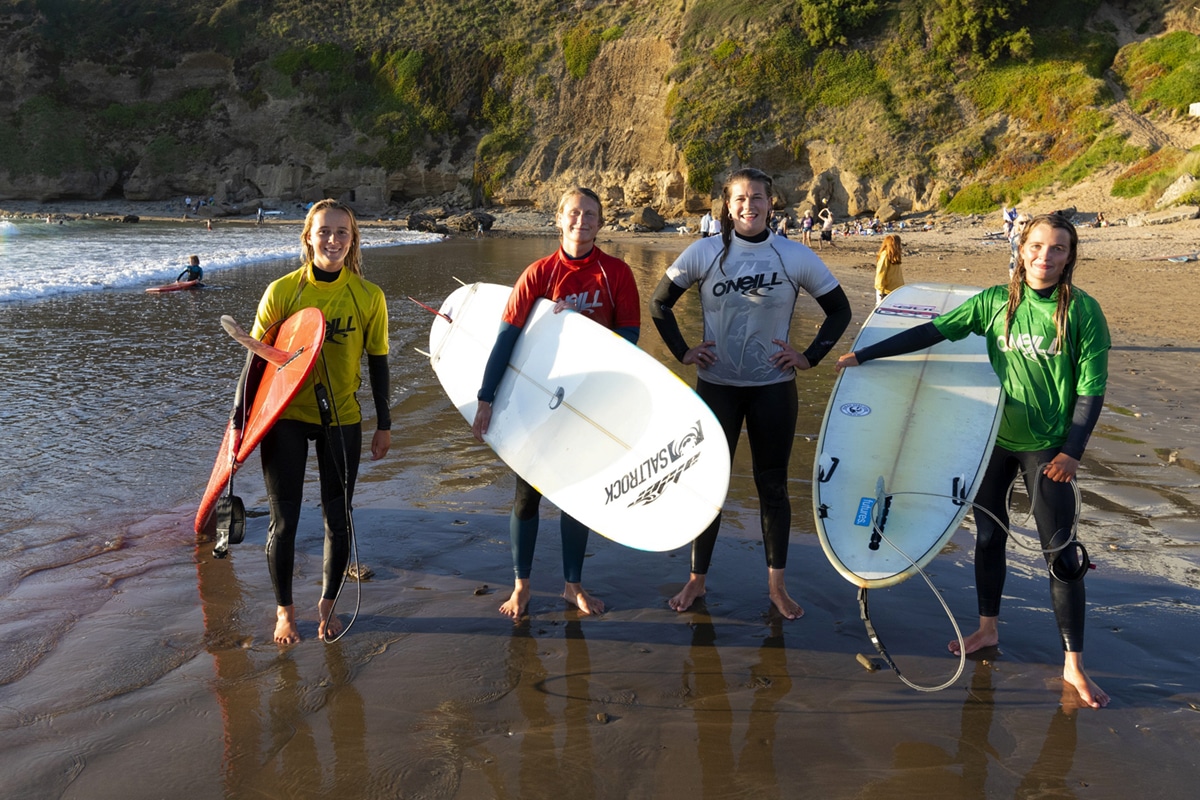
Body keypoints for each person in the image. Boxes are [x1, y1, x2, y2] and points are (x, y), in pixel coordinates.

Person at [834, 213, 1110, 709]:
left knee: (1061, 555)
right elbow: (934, 331)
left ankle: (1073, 663)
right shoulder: (994, 302)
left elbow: (1091, 388)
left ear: (1070, 257)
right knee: (989, 536)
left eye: (1058, 249)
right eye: (1038, 246)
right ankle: (986, 630)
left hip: (1048, 446)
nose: (1045, 257)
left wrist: (1072, 451)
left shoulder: (1083, 313)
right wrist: (868, 354)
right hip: (993, 439)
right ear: (1022, 248)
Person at [649, 167, 852, 619]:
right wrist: (683, 351)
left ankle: (776, 587)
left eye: (757, 197)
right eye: (739, 198)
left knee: (773, 488)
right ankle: (697, 580)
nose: (748, 206)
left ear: (770, 202)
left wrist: (809, 356)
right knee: (710, 485)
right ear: (727, 204)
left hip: (773, 390)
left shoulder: (793, 255)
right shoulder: (703, 252)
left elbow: (839, 310)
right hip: (716, 388)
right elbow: (659, 303)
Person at [472, 187, 640, 621]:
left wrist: (582, 329)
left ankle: (573, 586)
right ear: (558, 219)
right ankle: (521, 585)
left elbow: (630, 341)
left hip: (590, 401)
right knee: (527, 497)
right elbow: (506, 340)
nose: (580, 220)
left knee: (577, 499)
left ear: (600, 223)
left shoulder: (616, 273)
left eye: (589, 214)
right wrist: (486, 399)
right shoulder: (538, 274)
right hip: (539, 399)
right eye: (573, 213)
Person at [250, 199, 392, 645]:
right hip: (286, 418)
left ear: (353, 241)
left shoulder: (368, 297)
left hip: (343, 419)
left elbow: (379, 364)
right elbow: (254, 366)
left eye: (342, 233)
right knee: (284, 522)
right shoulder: (282, 291)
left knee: (338, 517)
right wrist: (241, 425)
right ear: (307, 237)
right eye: (324, 232)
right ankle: (285, 611)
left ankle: (327, 604)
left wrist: (383, 423)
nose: (333, 240)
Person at [874, 234, 904, 303]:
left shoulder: (895, 256)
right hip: (887, 291)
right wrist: (880, 290)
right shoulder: (886, 255)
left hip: (895, 289)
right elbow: (881, 273)